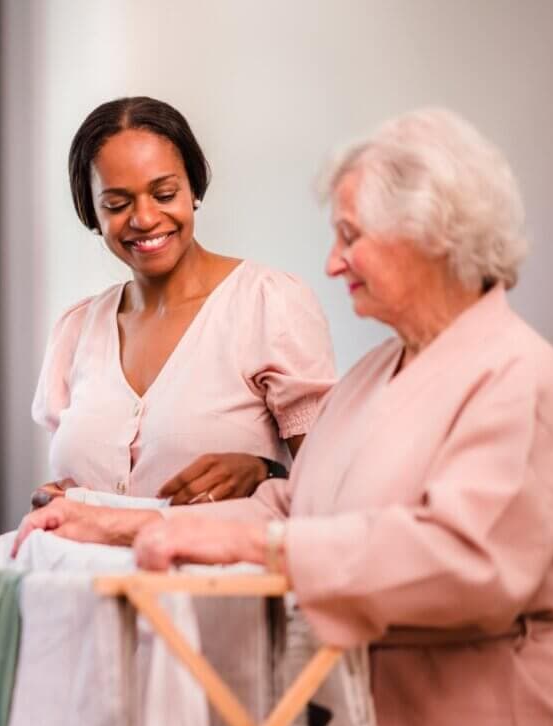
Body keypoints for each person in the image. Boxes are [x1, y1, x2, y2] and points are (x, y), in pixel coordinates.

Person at [14, 109, 553, 726]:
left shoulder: (518, 377)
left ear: (434, 239)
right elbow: (296, 506)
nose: (332, 261)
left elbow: (465, 561)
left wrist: (257, 546)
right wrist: (111, 522)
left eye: (351, 236)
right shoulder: (380, 371)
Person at [30, 96, 335, 510]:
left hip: (220, 574)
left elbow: (332, 487)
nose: (144, 218)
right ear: (92, 213)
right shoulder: (76, 329)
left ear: (193, 188)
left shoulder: (268, 304)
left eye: (164, 193)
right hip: (88, 573)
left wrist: (266, 472)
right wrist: (57, 502)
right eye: (117, 205)